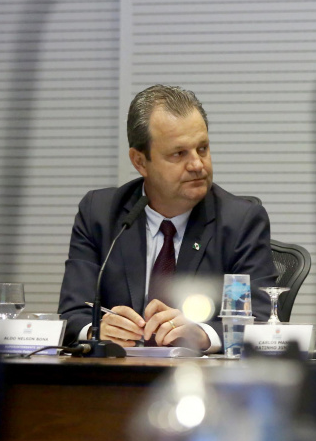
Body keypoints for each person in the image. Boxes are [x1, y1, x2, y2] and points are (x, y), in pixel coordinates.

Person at [58, 85, 277, 351]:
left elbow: (261, 320)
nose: (197, 164)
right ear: (140, 161)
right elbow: (71, 313)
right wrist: (96, 330)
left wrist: (203, 333)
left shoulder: (241, 221)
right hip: (116, 379)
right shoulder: (100, 214)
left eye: (202, 148)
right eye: (179, 153)